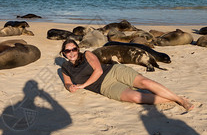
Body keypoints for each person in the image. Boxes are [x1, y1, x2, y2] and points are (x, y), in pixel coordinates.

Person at [60, 39, 194, 111]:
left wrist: (83, 85)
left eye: (74, 49)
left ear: (78, 49)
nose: (72, 52)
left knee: (145, 83)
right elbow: (67, 83)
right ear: (64, 53)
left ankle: (181, 100)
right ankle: (175, 99)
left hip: (113, 71)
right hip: (105, 87)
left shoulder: (88, 54)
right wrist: (70, 87)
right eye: (68, 50)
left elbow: (99, 71)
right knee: (136, 97)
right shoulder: (65, 68)